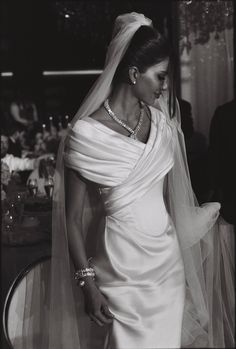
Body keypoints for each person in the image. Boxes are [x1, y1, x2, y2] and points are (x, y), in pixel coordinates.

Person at [20, 13, 233, 349]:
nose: (164, 87)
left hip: (167, 266)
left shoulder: (163, 125)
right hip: (120, 273)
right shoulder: (86, 135)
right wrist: (87, 283)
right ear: (134, 74)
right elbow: (71, 220)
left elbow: (165, 202)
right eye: (160, 77)